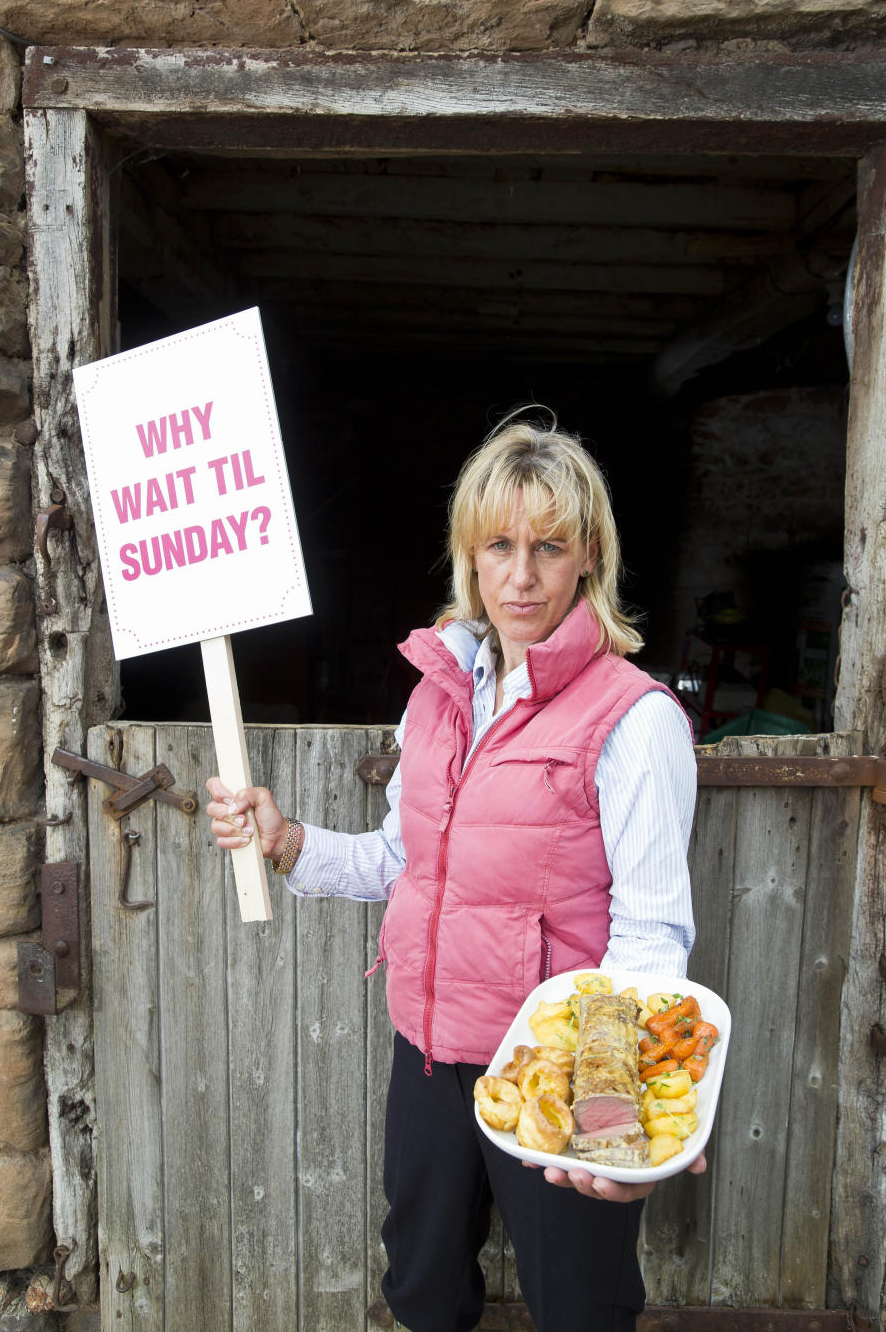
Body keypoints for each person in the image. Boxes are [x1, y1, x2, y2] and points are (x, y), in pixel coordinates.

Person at [207, 417, 702, 1332]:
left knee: (580, 1307)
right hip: (431, 1055)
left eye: (549, 547)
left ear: (588, 555)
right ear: (468, 555)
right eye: (498, 547)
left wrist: (613, 1108)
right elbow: (402, 858)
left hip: (553, 1069)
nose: (521, 575)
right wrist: (285, 841)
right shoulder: (437, 696)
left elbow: (651, 933)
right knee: (425, 1294)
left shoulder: (635, 721)